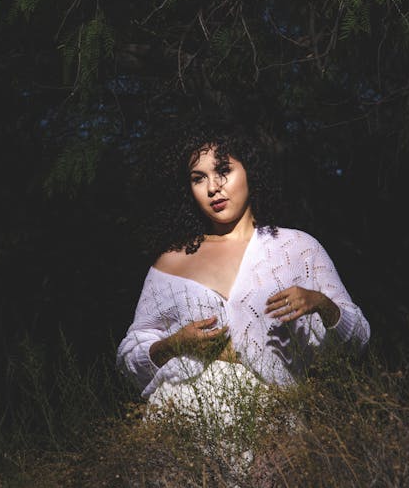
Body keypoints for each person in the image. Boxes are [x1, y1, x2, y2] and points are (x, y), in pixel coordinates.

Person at [117, 123, 370, 424]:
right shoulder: (171, 262)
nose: (213, 188)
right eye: (199, 179)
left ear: (249, 171)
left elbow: (358, 340)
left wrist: (321, 303)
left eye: (223, 170)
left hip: (271, 418)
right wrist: (173, 343)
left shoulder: (297, 248)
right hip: (179, 415)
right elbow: (129, 357)